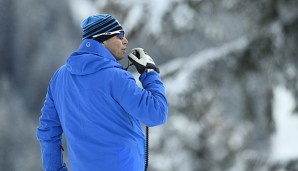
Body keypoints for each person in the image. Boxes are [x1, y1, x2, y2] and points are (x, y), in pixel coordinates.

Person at [36, 14, 168, 171]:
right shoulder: (116, 77)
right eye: (119, 35)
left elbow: (48, 132)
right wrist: (149, 72)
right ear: (103, 39)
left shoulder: (59, 78)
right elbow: (156, 113)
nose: (125, 40)